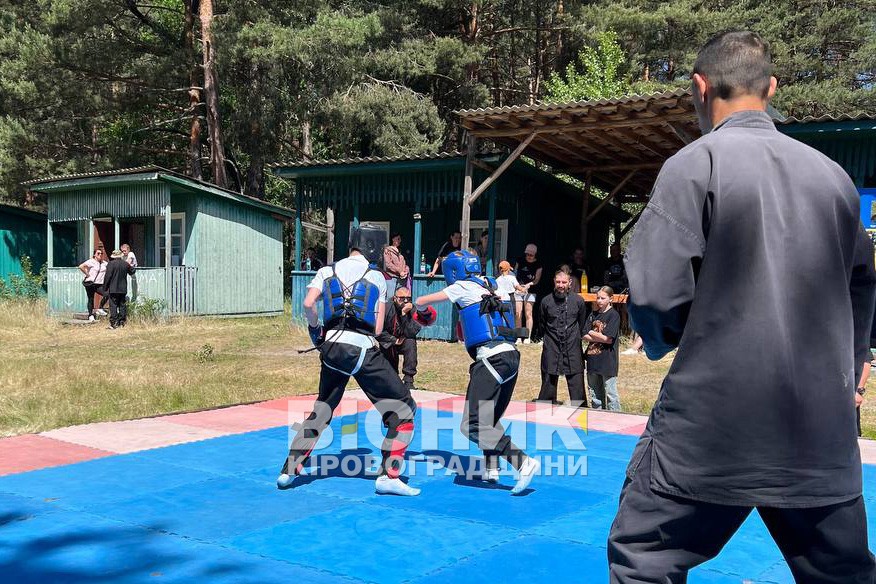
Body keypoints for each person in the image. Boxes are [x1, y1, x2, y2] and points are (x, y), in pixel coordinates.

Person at [609, 31, 876, 582]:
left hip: (711, 425)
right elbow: (864, 283)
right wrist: (850, 367)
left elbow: (656, 295)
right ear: (772, 88)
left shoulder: (694, 164)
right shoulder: (835, 181)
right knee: (843, 573)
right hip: (818, 427)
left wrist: (669, 338)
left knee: (644, 559)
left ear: (699, 87)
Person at [277, 223, 422, 497]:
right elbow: (378, 329)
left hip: (331, 349)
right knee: (404, 410)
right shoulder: (376, 277)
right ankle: (390, 476)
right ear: (373, 247)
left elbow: (308, 304)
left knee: (323, 408)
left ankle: (288, 470)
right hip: (361, 348)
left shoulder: (326, 270)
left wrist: (316, 331)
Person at [416, 250, 540, 494]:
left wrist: (419, 311)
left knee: (471, 425)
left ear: (453, 271)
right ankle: (491, 467)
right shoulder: (495, 284)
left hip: (491, 358)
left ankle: (523, 462)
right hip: (511, 357)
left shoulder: (461, 287)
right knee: (489, 419)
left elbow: (423, 301)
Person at [535, 270, 588, 406]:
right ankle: (544, 413)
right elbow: (542, 323)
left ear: (569, 283)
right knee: (548, 380)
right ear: (554, 281)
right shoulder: (546, 301)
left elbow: (581, 323)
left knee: (577, 384)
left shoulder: (578, 301)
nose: (561, 285)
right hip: (551, 345)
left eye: (564, 282)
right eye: (558, 282)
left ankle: (580, 416)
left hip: (572, 346)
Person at [377, 286, 429, 392]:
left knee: (410, 342)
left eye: (408, 298)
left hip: (404, 340)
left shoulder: (413, 310)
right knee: (389, 368)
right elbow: (377, 331)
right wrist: (393, 340)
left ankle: (408, 380)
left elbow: (412, 332)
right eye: (402, 298)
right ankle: (391, 378)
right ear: (395, 298)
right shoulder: (386, 308)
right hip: (389, 341)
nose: (405, 301)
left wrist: (405, 314)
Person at [583, 286, 621, 411]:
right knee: (594, 393)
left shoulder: (613, 316)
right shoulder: (593, 315)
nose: (599, 301)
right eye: (598, 298)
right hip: (593, 359)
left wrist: (592, 333)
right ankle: (598, 416)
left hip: (608, 360)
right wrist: (599, 336)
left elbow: (608, 339)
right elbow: (584, 334)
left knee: (611, 393)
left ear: (611, 299)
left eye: (602, 298)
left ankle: (615, 417)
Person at [513, 243, 542, 343]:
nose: (529, 256)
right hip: (519, 288)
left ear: (535, 255)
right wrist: (517, 285)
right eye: (527, 254)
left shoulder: (538, 264)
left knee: (528, 312)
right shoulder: (520, 260)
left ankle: (527, 337)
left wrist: (529, 285)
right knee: (518, 313)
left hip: (530, 290)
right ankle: (518, 336)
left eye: (531, 255)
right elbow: (515, 273)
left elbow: (537, 279)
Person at [103, 249, 135, 329]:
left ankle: (114, 323)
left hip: (113, 289)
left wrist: (105, 287)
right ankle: (122, 322)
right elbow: (132, 271)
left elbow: (108, 276)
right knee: (122, 305)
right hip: (123, 288)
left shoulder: (111, 264)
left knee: (113, 306)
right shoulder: (125, 264)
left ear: (113, 256)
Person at [78, 249, 106, 322]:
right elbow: (81, 266)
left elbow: (110, 268)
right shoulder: (91, 261)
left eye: (101, 253)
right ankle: (90, 315)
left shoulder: (104, 263)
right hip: (90, 283)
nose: (100, 255)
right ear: (94, 255)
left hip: (99, 284)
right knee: (91, 298)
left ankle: (100, 308)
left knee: (107, 294)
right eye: (98, 253)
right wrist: (87, 274)